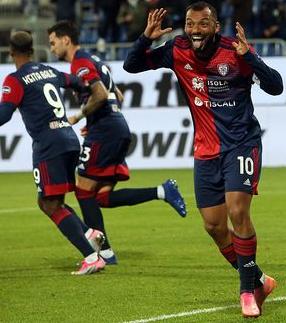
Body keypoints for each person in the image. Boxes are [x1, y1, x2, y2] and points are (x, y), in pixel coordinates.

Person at [123, 3, 283, 318]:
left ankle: (246, 291)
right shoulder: (177, 49)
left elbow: (276, 86)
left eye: (203, 23)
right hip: (205, 150)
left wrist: (249, 56)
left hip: (241, 145)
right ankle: (260, 280)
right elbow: (131, 65)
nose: (195, 29)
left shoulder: (234, 51)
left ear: (215, 26)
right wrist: (146, 37)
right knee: (213, 225)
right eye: (190, 23)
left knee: (238, 211)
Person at [0, 31, 106, 275]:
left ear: (10, 52)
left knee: (49, 204)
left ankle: (91, 256)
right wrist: (84, 98)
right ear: (32, 50)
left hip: (49, 145)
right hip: (69, 139)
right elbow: (78, 82)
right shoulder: (50, 71)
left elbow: (3, 115)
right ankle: (90, 234)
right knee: (50, 201)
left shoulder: (15, 79)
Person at [47, 20, 187, 265]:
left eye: (53, 42)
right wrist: (93, 121)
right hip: (114, 126)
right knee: (101, 197)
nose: (51, 49)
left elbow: (100, 94)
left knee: (82, 190)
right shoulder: (95, 60)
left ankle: (104, 253)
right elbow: (117, 94)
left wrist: (79, 115)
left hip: (106, 132)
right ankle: (162, 191)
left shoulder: (80, 63)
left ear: (65, 40)